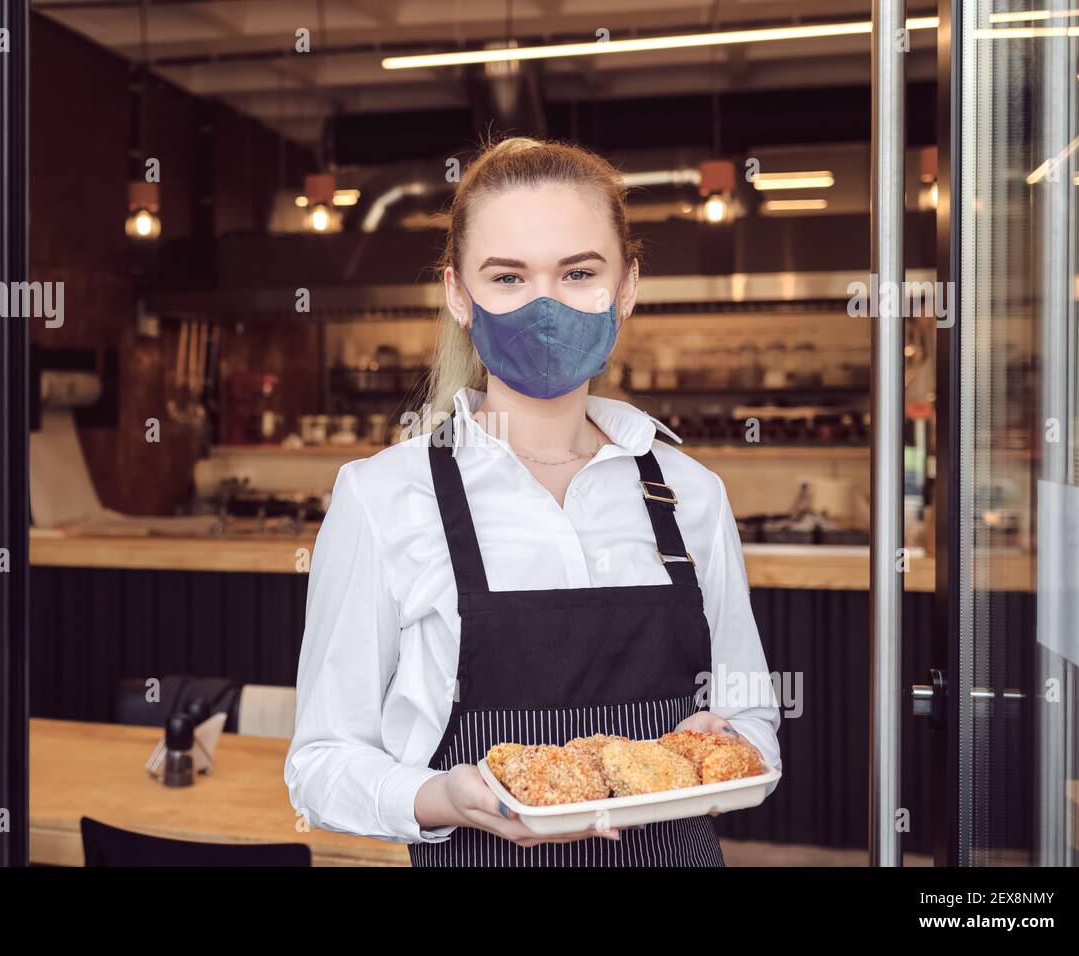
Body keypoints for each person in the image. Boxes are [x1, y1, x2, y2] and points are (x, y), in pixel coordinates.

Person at [284, 135, 781, 867]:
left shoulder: (689, 494)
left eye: (579, 272)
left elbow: (754, 717)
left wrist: (729, 743)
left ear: (626, 289)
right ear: (459, 294)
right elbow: (320, 763)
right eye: (509, 277)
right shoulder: (385, 496)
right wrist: (440, 798)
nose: (544, 306)